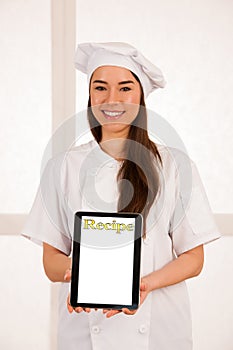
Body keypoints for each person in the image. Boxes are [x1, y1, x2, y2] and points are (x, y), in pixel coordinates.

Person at [22, 42, 221, 350]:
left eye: (125, 88)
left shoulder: (174, 166)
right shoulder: (62, 167)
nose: (111, 99)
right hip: (83, 335)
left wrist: (143, 286)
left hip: (160, 332)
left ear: (140, 96)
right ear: (90, 96)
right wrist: (76, 277)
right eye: (100, 88)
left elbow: (194, 259)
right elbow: (50, 262)